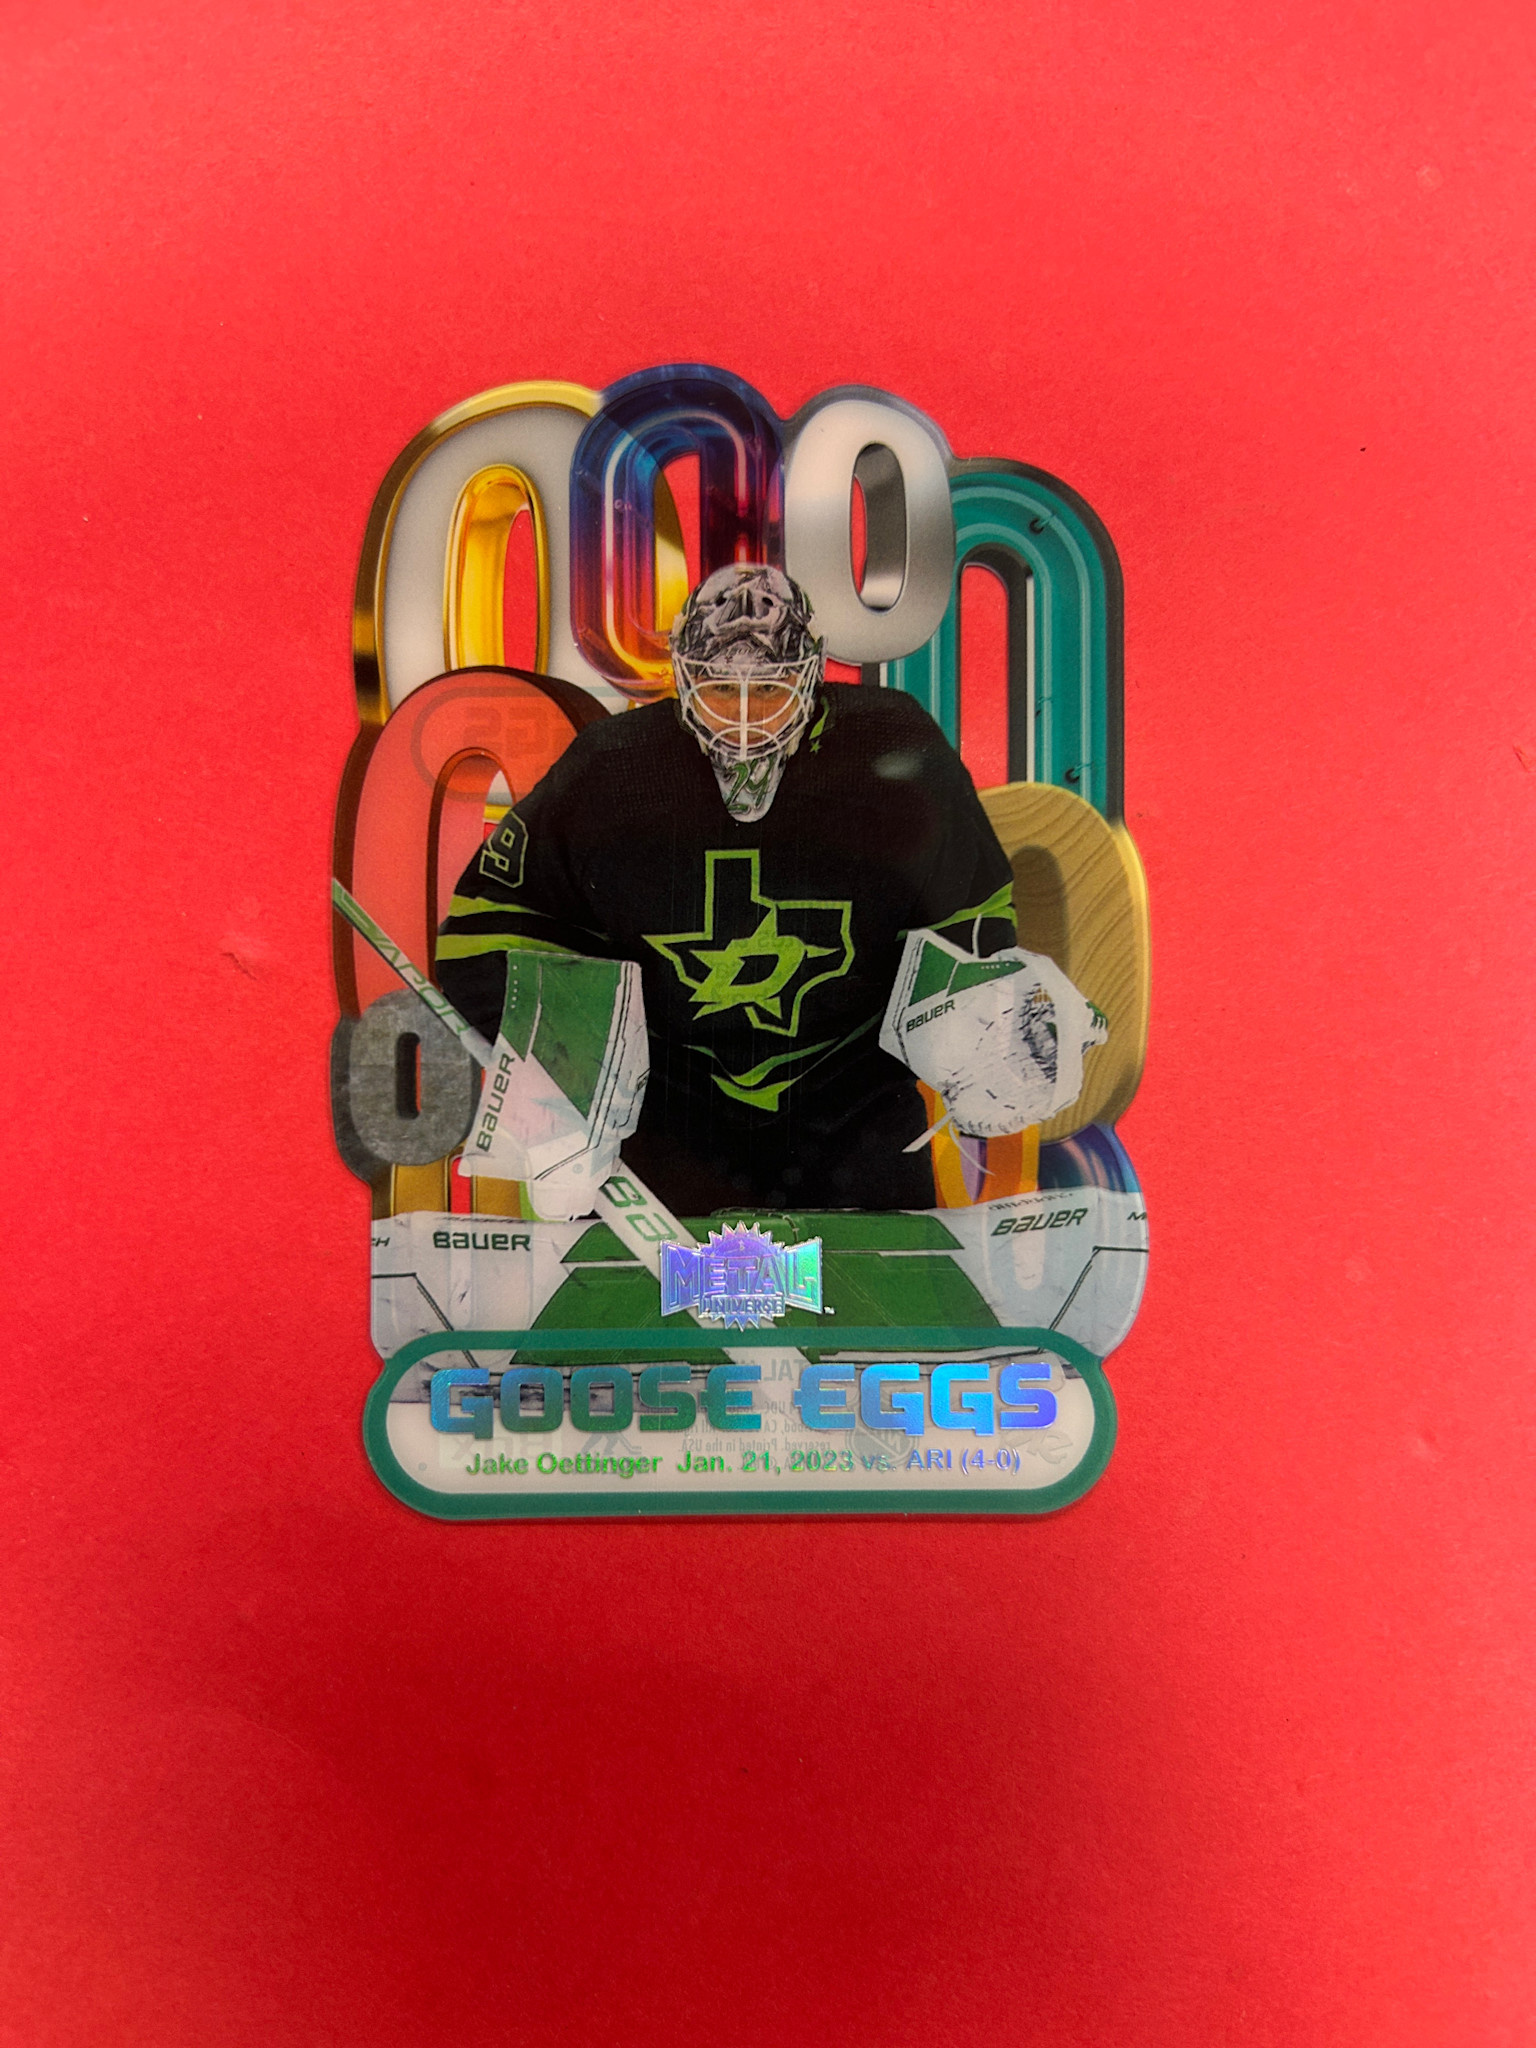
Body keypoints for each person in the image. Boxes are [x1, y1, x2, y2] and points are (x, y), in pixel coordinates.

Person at [436, 564, 1075, 1216]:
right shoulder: (612, 767)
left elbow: (974, 913)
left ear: (811, 673)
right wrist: (563, 1058)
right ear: (683, 675)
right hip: (673, 1119)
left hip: (853, 1111)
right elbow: (483, 930)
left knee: (873, 1282)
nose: (744, 720)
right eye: (720, 689)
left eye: (768, 689)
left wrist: (982, 1025)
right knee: (670, 1286)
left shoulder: (897, 748)